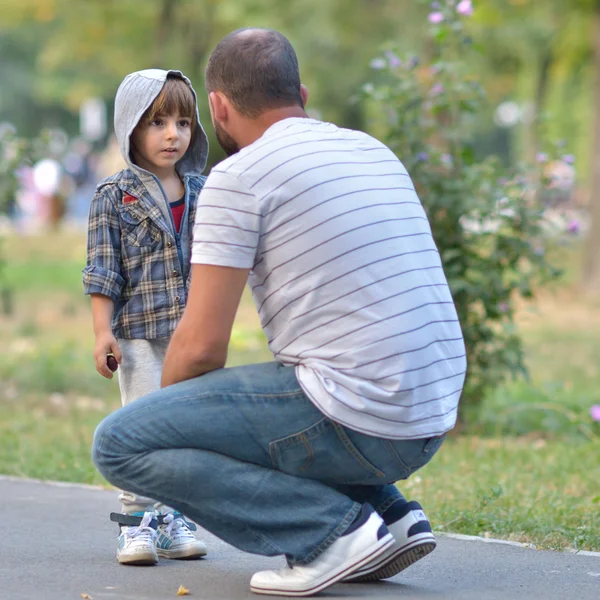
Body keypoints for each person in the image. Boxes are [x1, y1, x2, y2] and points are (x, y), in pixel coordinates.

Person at [93, 30, 467, 596]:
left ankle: (330, 534)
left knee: (120, 442)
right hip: (433, 413)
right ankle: (389, 515)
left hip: (360, 419)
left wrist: (171, 425)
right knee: (291, 389)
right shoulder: (372, 149)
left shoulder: (238, 177)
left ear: (215, 107)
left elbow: (198, 351)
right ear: (303, 94)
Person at [83, 69, 210, 566]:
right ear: (130, 127)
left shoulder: (203, 190)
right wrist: (102, 333)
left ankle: (173, 519)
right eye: (157, 122)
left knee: (189, 431)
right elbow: (101, 272)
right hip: (138, 338)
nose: (172, 133)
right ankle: (134, 524)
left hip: (193, 338)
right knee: (143, 428)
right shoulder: (113, 197)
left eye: (182, 122)